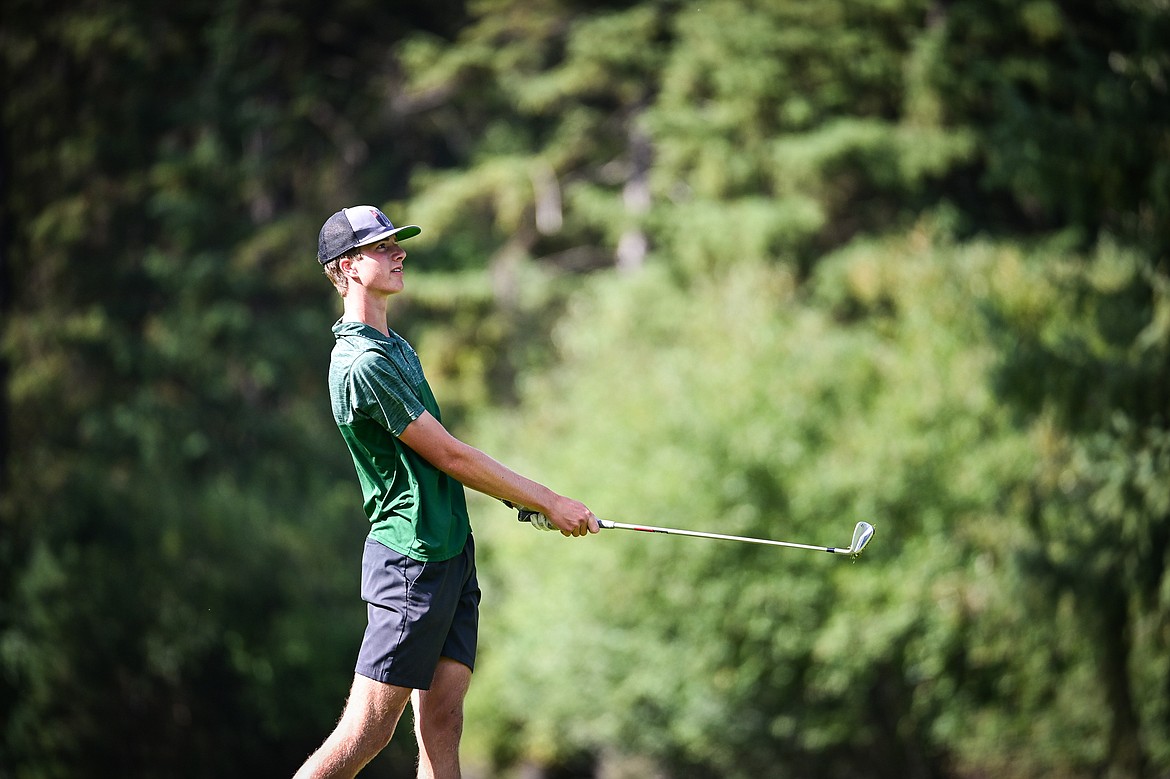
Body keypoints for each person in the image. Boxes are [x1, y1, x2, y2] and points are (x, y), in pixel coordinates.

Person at [294, 205, 599, 779]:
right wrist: (549, 501)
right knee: (367, 732)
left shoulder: (395, 347)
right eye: (383, 247)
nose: (398, 253)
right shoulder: (361, 364)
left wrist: (530, 503)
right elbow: (452, 455)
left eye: (396, 244)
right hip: (411, 560)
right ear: (348, 267)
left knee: (443, 723)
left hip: (451, 551)